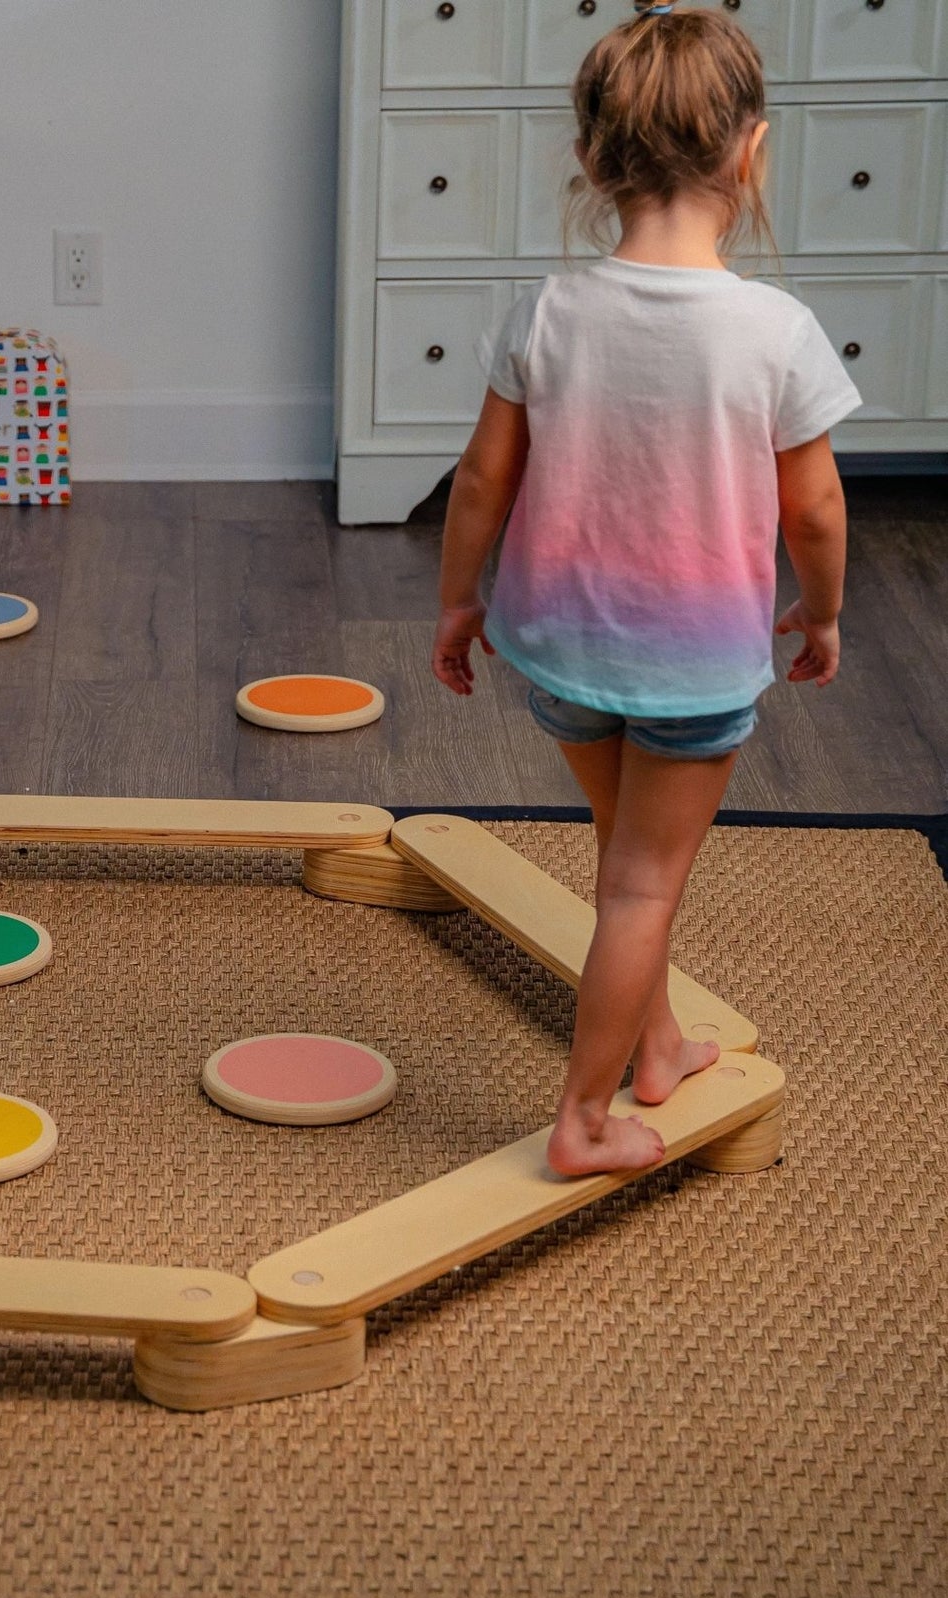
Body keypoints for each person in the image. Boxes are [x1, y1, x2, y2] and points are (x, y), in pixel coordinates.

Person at [431, 2, 858, 1177]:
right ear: (748, 150)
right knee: (638, 885)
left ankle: (657, 1042)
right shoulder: (775, 331)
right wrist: (818, 613)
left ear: (587, 158)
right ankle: (581, 1119)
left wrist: (457, 602)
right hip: (688, 669)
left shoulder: (548, 311)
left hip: (557, 650)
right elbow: (815, 510)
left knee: (623, 848)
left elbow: (478, 480)